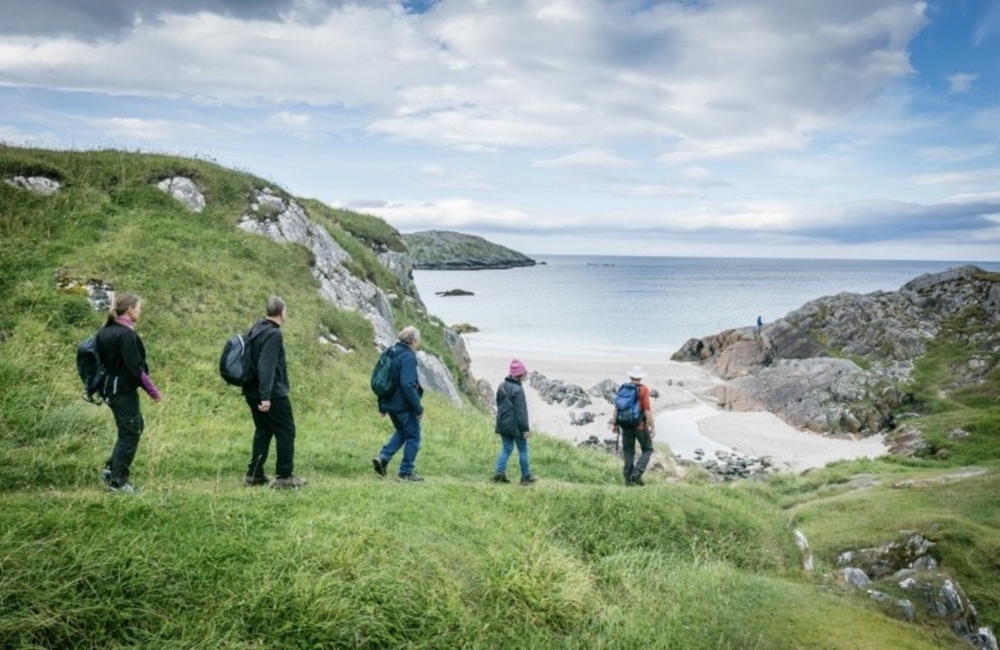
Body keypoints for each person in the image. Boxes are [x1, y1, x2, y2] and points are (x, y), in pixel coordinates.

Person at [96, 292, 162, 494]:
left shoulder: (105, 330)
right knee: (130, 431)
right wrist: (154, 392)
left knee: (134, 426)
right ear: (130, 309)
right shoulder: (126, 334)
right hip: (122, 390)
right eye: (139, 308)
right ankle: (118, 483)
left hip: (108, 388)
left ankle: (110, 470)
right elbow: (135, 369)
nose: (140, 312)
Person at [243, 296, 306, 489]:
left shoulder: (256, 329)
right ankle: (284, 476)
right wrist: (266, 396)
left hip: (251, 390)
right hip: (271, 393)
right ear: (282, 312)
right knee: (286, 430)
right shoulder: (273, 334)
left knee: (263, 431)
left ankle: (254, 474)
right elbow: (266, 366)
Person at [372, 326, 425, 482]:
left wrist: (382, 405)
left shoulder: (389, 351)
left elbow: (381, 380)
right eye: (417, 340)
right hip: (403, 405)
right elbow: (407, 385)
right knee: (414, 437)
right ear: (413, 340)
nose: (418, 343)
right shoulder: (408, 357)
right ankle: (406, 472)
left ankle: (383, 457)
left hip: (389, 403)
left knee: (402, 431)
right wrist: (418, 408)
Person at [492, 359, 537, 485]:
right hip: (516, 426)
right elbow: (521, 413)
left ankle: (499, 473)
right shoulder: (518, 390)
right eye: (524, 373)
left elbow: (499, 404)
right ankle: (525, 477)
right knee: (523, 449)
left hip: (502, 423)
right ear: (520, 375)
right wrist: (525, 430)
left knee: (506, 448)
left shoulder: (501, 386)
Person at [611, 366, 655, 486]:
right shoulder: (644, 389)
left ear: (630, 376)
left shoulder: (623, 388)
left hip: (625, 425)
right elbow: (646, 410)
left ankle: (628, 481)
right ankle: (636, 474)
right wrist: (652, 426)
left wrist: (614, 424)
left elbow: (617, 408)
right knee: (648, 449)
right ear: (640, 377)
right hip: (640, 425)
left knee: (628, 452)